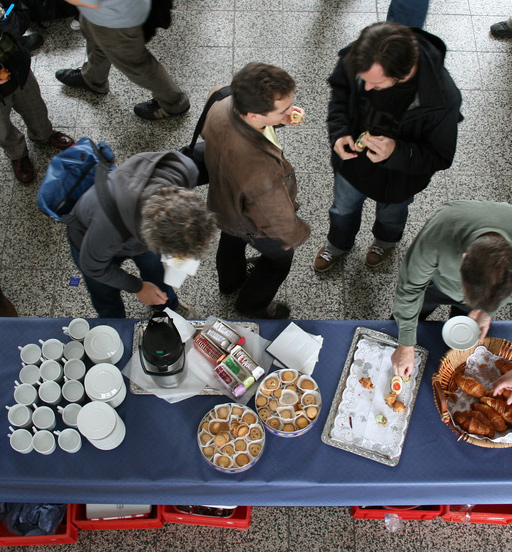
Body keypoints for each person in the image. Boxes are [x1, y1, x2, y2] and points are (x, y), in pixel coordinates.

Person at [314, 22, 462, 272]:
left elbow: (440, 156)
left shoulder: (441, 100)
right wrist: (339, 132)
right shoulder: (360, 57)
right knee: (342, 209)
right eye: (363, 81)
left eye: (375, 84)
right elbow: (340, 94)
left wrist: (396, 152)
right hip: (352, 165)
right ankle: (338, 244)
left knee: (391, 215)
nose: (366, 88)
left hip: (399, 178)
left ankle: (385, 242)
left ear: (402, 74)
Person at [202, 62, 311, 319]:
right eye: (283, 109)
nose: (290, 110)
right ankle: (250, 304)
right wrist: (298, 234)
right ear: (254, 115)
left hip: (223, 202)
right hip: (251, 220)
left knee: (230, 240)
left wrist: (279, 119)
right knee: (278, 261)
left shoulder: (221, 97)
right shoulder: (259, 169)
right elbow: (278, 220)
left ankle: (230, 283)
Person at [66, 150, 216, 318]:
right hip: (91, 239)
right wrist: (138, 287)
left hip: (132, 226)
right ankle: (114, 323)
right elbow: (93, 267)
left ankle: (167, 305)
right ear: (151, 238)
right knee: (104, 292)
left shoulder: (185, 170)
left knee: (155, 270)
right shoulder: (107, 229)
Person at [391, 200, 512, 377]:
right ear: (463, 258)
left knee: (462, 338)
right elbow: (410, 289)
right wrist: (405, 344)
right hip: (435, 284)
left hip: (481, 292)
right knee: (402, 322)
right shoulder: (438, 235)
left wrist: (485, 311)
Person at [55, 0, 189, 120]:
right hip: (99, 13)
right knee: (95, 39)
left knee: (136, 64)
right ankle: (93, 78)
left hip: (117, 18)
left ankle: (174, 102)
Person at [0, 31, 74, 183]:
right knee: (2, 129)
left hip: (16, 67)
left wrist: (4, 18)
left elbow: (18, 17)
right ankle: (17, 153)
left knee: (35, 107)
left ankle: (43, 134)